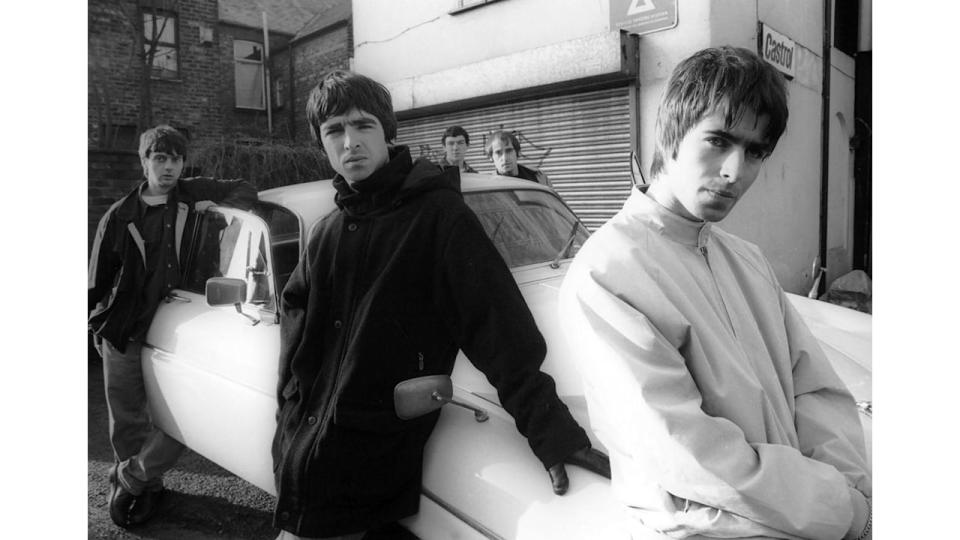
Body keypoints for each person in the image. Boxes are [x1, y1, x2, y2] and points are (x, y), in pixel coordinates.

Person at [272, 70, 607, 540]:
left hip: (369, 462)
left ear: (388, 133)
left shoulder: (438, 217)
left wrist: (551, 431)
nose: (350, 142)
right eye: (334, 131)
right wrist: (288, 410)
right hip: (304, 452)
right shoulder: (326, 232)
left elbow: (497, 324)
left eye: (363, 125)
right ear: (321, 144)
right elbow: (295, 330)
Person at [558, 46, 871, 540]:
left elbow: (814, 389)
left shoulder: (746, 258)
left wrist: (847, 490)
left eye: (755, 152)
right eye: (719, 141)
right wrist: (845, 510)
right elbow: (688, 453)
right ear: (671, 133)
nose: (734, 171)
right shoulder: (608, 272)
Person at [88, 125, 256, 527]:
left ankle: (136, 476)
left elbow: (246, 190)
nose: (168, 167)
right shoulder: (120, 215)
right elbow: (97, 279)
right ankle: (140, 486)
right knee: (128, 418)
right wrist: (93, 327)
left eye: (175, 159)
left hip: (176, 328)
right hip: (124, 330)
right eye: (159, 159)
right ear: (144, 162)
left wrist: (212, 207)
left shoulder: (191, 193)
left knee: (182, 415)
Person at [485, 129, 552, 187]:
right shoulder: (489, 186)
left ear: (518, 152)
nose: (505, 158)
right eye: (498, 153)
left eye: (509, 151)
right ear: (491, 157)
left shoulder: (538, 177)